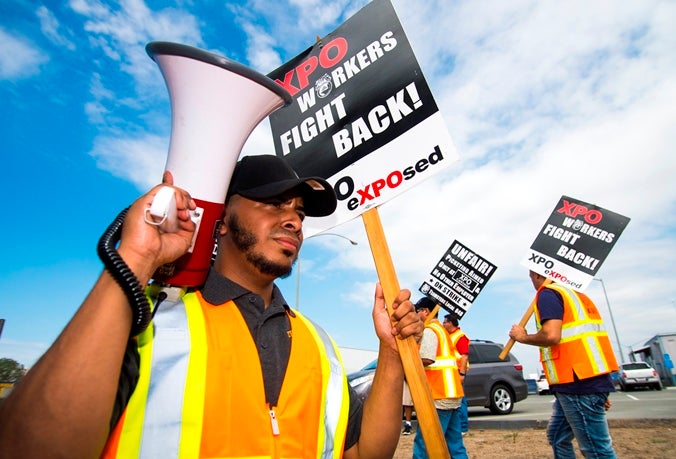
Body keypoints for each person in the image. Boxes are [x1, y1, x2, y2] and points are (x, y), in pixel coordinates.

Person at [0, 155, 424, 459]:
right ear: (220, 219)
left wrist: (389, 351)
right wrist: (134, 258)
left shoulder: (320, 346)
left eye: (298, 211)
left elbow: (367, 453)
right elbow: (25, 446)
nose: (294, 219)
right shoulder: (144, 318)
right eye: (274, 204)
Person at [509, 270, 619, 459]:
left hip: (578, 383)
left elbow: (551, 335)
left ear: (537, 275)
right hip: (584, 382)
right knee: (558, 436)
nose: (532, 282)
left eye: (531, 277)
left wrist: (522, 337)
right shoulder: (576, 294)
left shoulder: (548, 293)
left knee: (595, 448)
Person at [412, 297, 467, 459]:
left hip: (438, 395)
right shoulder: (441, 330)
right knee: (455, 444)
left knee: (425, 444)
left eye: (418, 311)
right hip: (452, 394)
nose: (416, 315)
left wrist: (409, 359)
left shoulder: (430, 330)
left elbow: (427, 359)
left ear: (426, 311)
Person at [442, 313, 470, 435]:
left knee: (460, 400)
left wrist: (462, 373)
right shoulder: (448, 336)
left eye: (445, 322)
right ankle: (458, 427)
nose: (443, 324)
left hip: (457, 372)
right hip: (451, 372)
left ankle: (463, 427)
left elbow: (464, 356)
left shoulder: (460, 336)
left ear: (451, 323)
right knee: (455, 400)